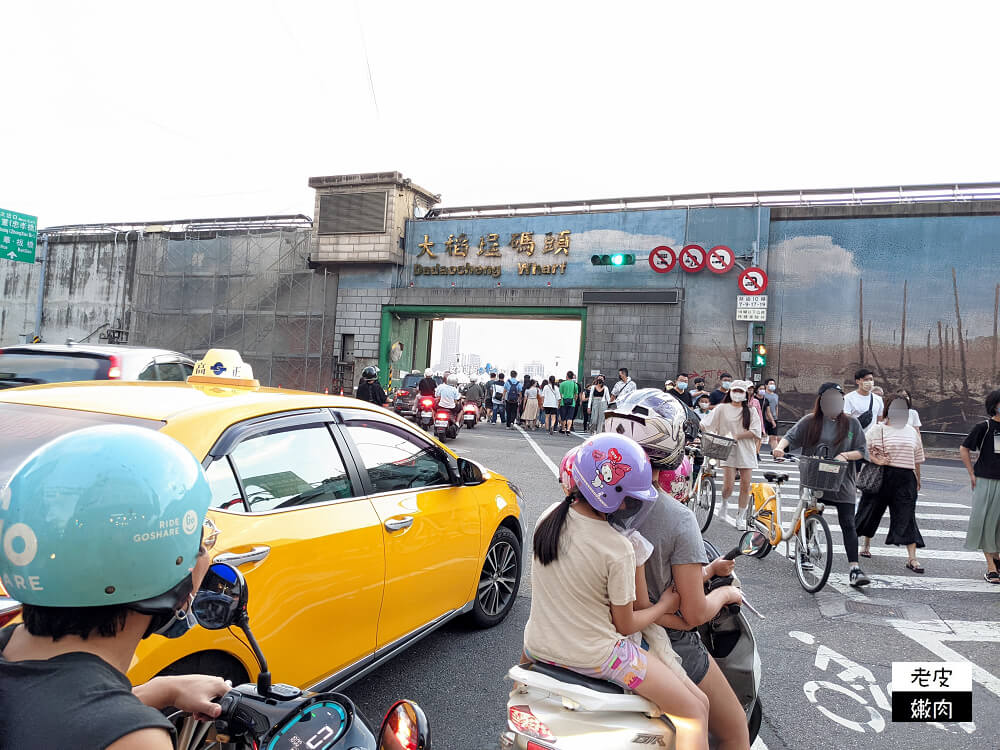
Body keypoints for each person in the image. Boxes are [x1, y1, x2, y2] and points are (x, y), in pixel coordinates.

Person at [0, 426, 229, 750]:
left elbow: (46, 715)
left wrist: (154, 692)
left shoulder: (10, 649)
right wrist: (129, 717)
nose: (204, 555)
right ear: (155, 560)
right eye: (201, 542)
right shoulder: (135, 740)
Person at [524, 434, 711, 750]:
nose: (631, 505)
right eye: (630, 498)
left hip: (537, 645)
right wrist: (665, 603)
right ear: (613, 496)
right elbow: (625, 625)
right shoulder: (617, 548)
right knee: (695, 709)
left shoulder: (548, 519)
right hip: (598, 657)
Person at [603, 390, 750, 750]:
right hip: (663, 643)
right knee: (734, 734)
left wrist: (706, 570)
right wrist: (727, 593)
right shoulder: (678, 519)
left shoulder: (590, 505)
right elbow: (694, 611)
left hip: (598, 632)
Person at [773, 382, 871, 587]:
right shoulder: (810, 421)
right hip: (814, 476)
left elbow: (862, 451)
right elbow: (790, 438)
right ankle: (804, 552)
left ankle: (854, 568)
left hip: (843, 480)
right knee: (809, 515)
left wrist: (845, 455)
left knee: (848, 523)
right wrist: (780, 449)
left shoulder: (852, 424)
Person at [856, 394, 926, 572]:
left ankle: (912, 559)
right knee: (869, 512)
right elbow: (860, 449)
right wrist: (876, 460)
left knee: (907, 516)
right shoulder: (878, 429)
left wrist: (918, 478)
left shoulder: (911, 431)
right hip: (882, 476)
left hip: (905, 479)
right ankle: (865, 546)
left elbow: (917, 458)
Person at [701, 380, 762, 530]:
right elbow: (707, 423)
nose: (737, 394)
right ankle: (725, 502)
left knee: (745, 484)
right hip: (726, 449)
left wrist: (736, 436)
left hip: (746, 449)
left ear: (745, 394)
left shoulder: (751, 410)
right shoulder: (721, 408)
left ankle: (740, 516)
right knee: (728, 485)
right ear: (730, 392)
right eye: (735, 390)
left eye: (741, 392)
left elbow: (755, 431)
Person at [961, 389, 1000, 584]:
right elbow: (964, 448)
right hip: (986, 480)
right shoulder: (983, 427)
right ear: (995, 406)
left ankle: (997, 559)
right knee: (986, 523)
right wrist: (971, 473)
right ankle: (991, 568)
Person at [559, 370, 580, 434]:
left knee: (563, 417)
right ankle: (568, 429)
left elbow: (560, 394)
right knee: (570, 417)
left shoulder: (562, 384)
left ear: (567, 376)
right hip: (572, 403)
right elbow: (576, 395)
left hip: (563, 402)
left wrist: (560, 401)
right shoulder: (575, 385)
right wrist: (574, 400)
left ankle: (563, 429)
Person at [763, 378, 780, 451]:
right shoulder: (763, 395)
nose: (772, 385)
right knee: (759, 437)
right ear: (766, 385)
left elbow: (776, 406)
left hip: (774, 419)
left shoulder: (776, 396)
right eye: (770, 384)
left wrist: (776, 417)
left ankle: (776, 455)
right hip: (764, 419)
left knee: (774, 437)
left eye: (773, 384)